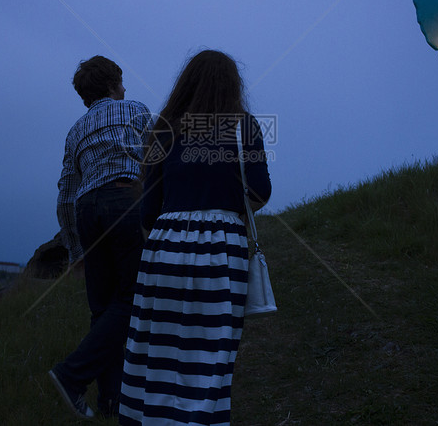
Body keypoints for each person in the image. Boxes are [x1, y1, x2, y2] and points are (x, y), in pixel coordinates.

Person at [119, 50, 272, 426]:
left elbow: (148, 210)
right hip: (223, 249)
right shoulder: (244, 127)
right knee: (212, 354)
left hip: (165, 245)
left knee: (158, 353)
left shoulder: (163, 129)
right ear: (232, 85)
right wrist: (224, 209)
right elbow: (260, 191)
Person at [49, 55, 151, 419]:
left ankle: (112, 402)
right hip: (124, 199)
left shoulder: (75, 131)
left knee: (103, 308)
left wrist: (75, 248)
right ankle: (70, 375)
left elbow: (65, 194)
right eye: (121, 82)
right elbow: (159, 161)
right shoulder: (136, 110)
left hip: (87, 208)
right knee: (133, 300)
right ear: (111, 85)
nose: (125, 89)